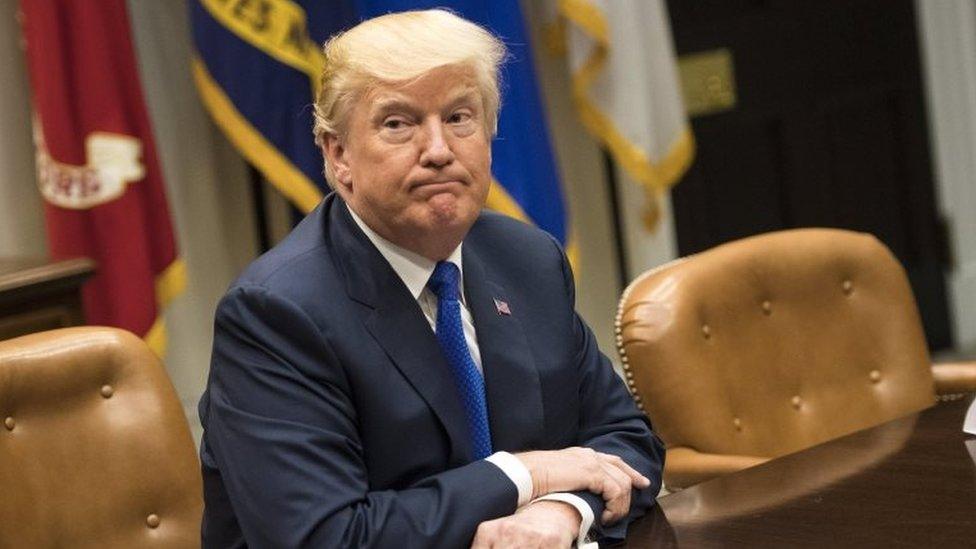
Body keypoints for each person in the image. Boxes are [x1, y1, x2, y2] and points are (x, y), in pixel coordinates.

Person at [198, 9, 664, 548]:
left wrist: (562, 509)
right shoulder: (275, 314)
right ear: (339, 154)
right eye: (399, 124)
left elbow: (628, 442)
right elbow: (325, 536)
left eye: (460, 117)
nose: (439, 151)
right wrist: (526, 475)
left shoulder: (527, 259)